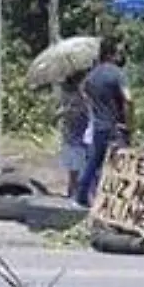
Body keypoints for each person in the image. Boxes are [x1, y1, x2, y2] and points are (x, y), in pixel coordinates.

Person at [76, 39, 130, 207]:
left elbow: (82, 90)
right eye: (117, 52)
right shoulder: (116, 73)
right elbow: (128, 98)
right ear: (111, 54)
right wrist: (129, 123)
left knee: (94, 162)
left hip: (98, 126)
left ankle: (82, 196)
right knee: (120, 165)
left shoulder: (92, 75)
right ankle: (116, 202)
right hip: (115, 126)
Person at [56, 71, 88, 199]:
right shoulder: (70, 95)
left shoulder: (82, 94)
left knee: (76, 171)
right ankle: (74, 196)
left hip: (76, 135)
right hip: (74, 136)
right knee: (77, 171)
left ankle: (73, 195)